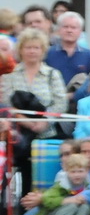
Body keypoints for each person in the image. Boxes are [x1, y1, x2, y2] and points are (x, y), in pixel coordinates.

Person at [2, 28, 69, 194]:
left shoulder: (52, 74)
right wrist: (28, 122)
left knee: (45, 176)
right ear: (20, 50)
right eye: (28, 47)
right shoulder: (9, 75)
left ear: (43, 50)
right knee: (23, 174)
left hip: (47, 133)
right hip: (18, 134)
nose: (32, 51)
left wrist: (44, 121)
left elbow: (61, 102)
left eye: (36, 47)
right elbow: (5, 104)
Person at [45, 12, 90, 87]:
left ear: (80, 31)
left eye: (73, 27)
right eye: (65, 27)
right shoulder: (47, 53)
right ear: (59, 29)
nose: (69, 30)